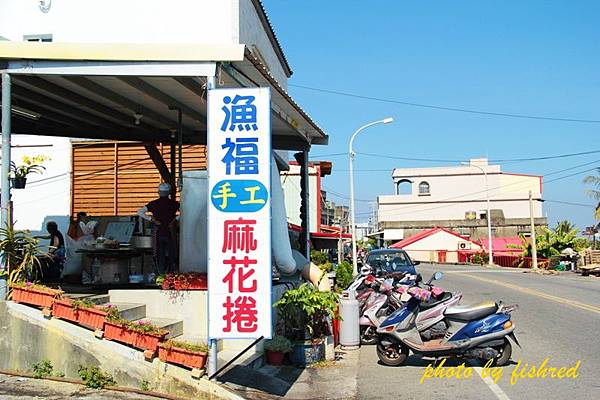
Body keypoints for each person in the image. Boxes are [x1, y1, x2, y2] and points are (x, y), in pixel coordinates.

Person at [137, 183, 180, 274]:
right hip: (170, 232)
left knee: (159, 255)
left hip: (158, 232)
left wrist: (152, 219)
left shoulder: (154, 204)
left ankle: (160, 274)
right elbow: (185, 212)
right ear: (169, 192)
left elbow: (140, 212)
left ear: (159, 192)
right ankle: (173, 274)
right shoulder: (174, 204)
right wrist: (175, 220)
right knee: (173, 254)